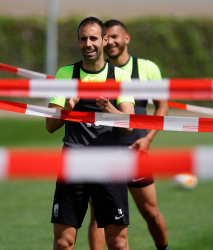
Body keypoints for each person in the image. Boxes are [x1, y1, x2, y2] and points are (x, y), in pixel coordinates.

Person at [46, 17, 135, 250]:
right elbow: (50, 125)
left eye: (94, 38)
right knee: (64, 242)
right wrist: (67, 109)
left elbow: (129, 124)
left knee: (118, 242)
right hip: (73, 163)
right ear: (78, 41)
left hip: (110, 164)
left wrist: (109, 108)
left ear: (104, 40)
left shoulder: (120, 77)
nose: (89, 43)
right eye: (84, 38)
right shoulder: (65, 74)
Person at [87, 19, 169, 250]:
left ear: (126, 38)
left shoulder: (147, 68)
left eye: (115, 36)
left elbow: (162, 106)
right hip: (104, 150)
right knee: (98, 216)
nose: (110, 41)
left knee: (150, 212)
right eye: (107, 37)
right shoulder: (97, 70)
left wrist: (148, 139)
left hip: (135, 149)